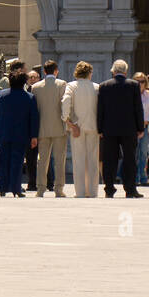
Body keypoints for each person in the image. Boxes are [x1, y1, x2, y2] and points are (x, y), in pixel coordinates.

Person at [97, 59, 145, 199]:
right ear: (125, 71)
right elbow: (138, 108)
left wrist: (100, 129)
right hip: (129, 129)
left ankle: (109, 189)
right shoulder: (134, 85)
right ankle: (130, 189)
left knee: (109, 159)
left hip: (109, 129)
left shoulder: (104, 85)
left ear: (113, 71)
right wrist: (140, 127)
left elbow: (101, 110)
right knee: (130, 158)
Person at [0, 72, 39, 197]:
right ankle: (16, 188)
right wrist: (34, 136)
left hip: (4, 133)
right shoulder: (29, 97)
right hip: (21, 134)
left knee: (4, 161)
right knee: (17, 162)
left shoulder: (2, 95)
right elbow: (34, 118)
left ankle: (2, 188)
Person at [61, 61, 100, 198]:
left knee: (79, 160)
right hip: (93, 126)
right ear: (89, 73)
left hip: (77, 126)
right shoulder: (96, 87)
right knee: (93, 160)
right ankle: (93, 191)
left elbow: (65, 102)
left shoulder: (71, 86)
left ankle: (80, 192)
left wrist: (68, 121)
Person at [30, 61, 68, 197]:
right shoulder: (62, 84)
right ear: (56, 71)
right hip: (59, 126)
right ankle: (58, 189)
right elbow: (65, 105)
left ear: (44, 72)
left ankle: (40, 188)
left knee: (42, 160)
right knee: (59, 160)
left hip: (42, 128)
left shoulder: (35, 87)